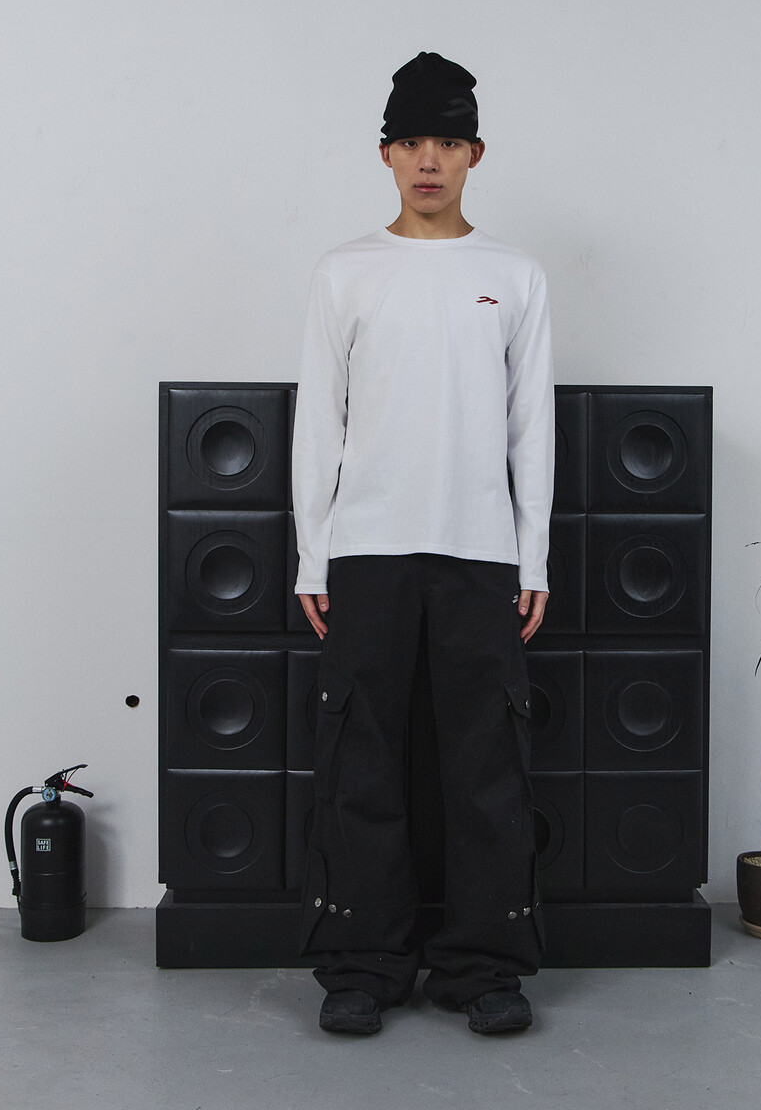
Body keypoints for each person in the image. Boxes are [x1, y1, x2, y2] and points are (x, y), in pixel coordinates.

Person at [291, 52, 555, 1036]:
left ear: (475, 153)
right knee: (361, 761)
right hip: (366, 550)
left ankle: (483, 968)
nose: (429, 161)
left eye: (447, 142)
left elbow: (532, 428)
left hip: (480, 551)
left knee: (485, 768)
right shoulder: (344, 272)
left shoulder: (514, 275)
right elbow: (318, 424)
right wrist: (313, 553)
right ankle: (363, 965)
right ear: (386, 155)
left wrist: (532, 557)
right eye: (411, 143)